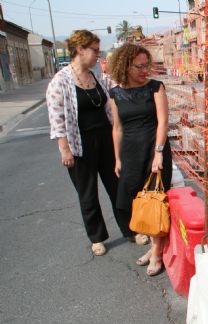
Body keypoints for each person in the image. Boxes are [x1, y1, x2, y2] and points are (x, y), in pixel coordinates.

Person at [46, 30, 132, 256]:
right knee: (88, 193)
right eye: (94, 50)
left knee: (117, 185)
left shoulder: (96, 76)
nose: (97, 54)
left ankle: (130, 228)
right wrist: (64, 149)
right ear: (80, 50)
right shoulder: (60, 82)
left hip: (105, 139)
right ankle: (97, 237)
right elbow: (57, 120)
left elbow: (112, 96)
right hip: (79, 145)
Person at [108, 44, 172, 276]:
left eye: (148, 65)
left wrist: (158, 153)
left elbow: (163, 122)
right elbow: (117, 128)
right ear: (125, 66)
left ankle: (155, 253)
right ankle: (155, 246)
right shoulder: (115, 94)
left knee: (155, 199)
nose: (146, 70)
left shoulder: (156, 88)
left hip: (154, 149)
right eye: (140, 66)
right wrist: (117, 158)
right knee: (133, 199)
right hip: (130, 153)